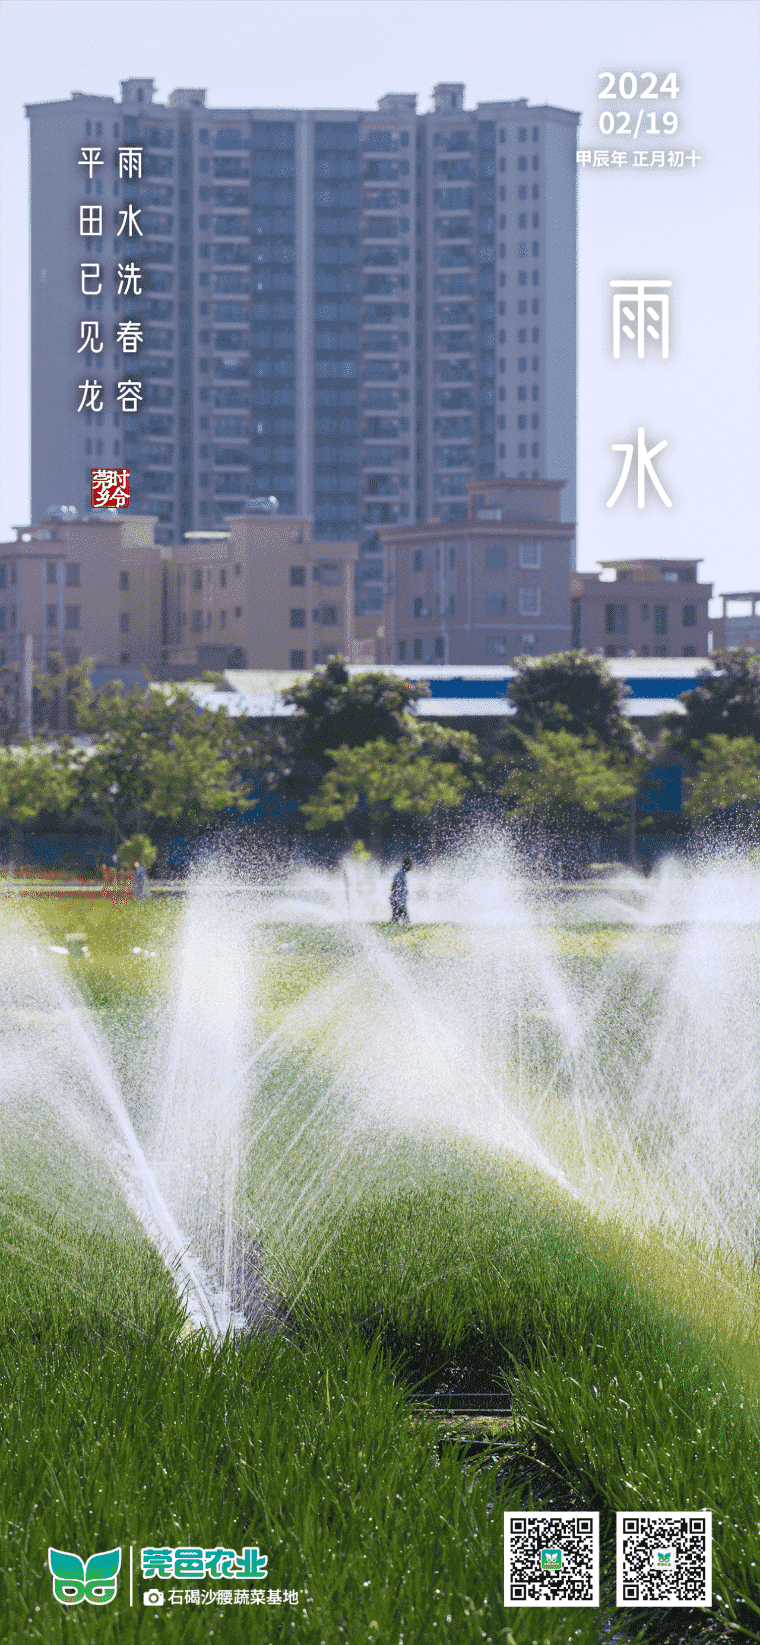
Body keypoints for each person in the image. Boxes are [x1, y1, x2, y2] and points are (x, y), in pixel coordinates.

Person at [390, 856, 412, 925]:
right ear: (407, 865)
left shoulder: (402, 874)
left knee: (396, 917)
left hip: (399, 900)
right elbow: (394, 886)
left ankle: (392, 927)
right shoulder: (400, 874)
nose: (410, 867)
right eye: (410, 865)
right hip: (398, 900)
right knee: (404, 918)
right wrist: (397, 899)